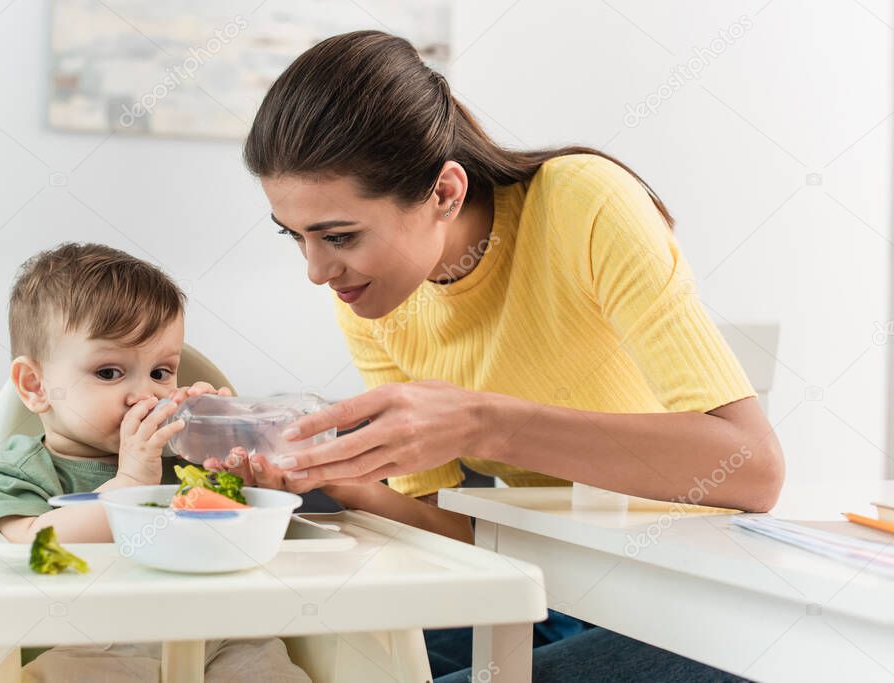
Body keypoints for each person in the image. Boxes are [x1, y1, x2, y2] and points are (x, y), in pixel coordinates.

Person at [218, 30, 782, 681]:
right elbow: (458, 540)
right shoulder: (374, 298)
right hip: (549, 592)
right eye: (297, 237)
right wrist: (334, 481)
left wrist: (483, 421)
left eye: (338, 236)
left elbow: (754, 468)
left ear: (445, 193)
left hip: (685, 604)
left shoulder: (582, 203)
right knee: (309, 661)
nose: (316, 270)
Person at [0, 242, 309, 683]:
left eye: (161, 372)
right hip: (83, 642)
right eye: (109, 372)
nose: (146, 395)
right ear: (36, 385)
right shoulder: (15, 475)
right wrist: (129, 484)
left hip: (214, 633)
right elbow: (31, 548)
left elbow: (245, 546)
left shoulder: (182, 461)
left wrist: (237, 473)